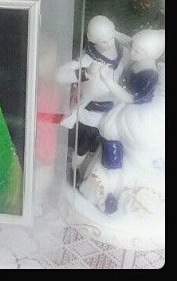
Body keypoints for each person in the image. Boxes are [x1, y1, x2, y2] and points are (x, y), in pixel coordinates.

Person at [79, 30, 165, 214]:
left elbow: (129, 98)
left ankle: (114, 172)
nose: (132, 52)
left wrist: (108, 81)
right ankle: (110, 171)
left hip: (134, 110)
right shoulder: (139, 61)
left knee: (109, 128)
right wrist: (113, 33)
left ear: (150, 55)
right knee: (108, 130)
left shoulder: (148, 75)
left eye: (137, 51)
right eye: (133, 47)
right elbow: (127, 40)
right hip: (125, 105)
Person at [58, 16, 130, 182]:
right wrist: (85, 73)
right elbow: (60, 75)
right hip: (91, 112)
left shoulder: (122, 50)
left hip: (115, 110)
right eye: (104, 41)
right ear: (93, 40)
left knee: (108, 147)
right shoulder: (87, 59)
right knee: (83, 146)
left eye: (111, 38)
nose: (110, 43)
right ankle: (75, 169)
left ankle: (103, 177)